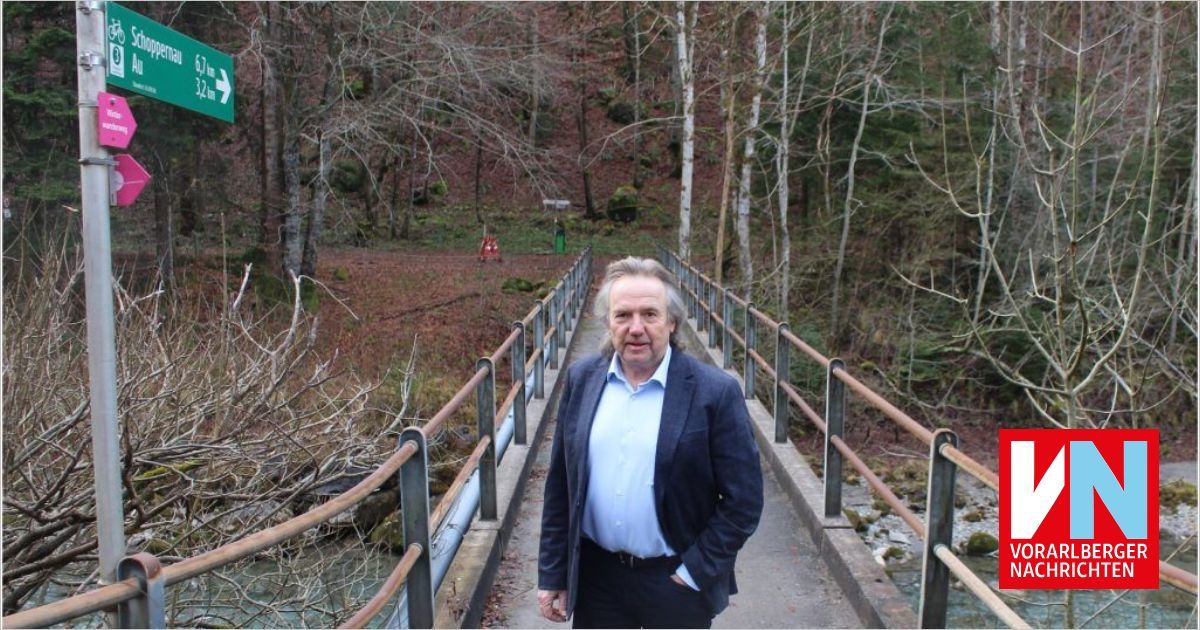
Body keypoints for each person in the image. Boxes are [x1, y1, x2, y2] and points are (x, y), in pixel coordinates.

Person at [538, 257, 764, 629]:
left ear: (672, 322)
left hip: (675, 582)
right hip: (597, 581)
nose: (636, 328)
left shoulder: (714, 393)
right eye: (623, 315)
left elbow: (744, 500)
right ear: (608, 322)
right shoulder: (582, 379)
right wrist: (553, 573)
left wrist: (695, 571)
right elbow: (562, 486)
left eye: (650, 315)